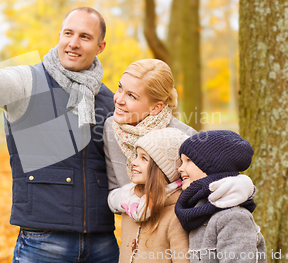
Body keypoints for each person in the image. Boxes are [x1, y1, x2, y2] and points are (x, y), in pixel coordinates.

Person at [0, 7, 119, 262]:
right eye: (68, 33)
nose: (73, 43)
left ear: (100, 46)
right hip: (43, 243)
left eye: (85, 37)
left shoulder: (109, 99)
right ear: (59, 35)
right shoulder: (28, 81)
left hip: (102, 244)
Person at [103, 59, 255, 213]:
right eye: (120, 88)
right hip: (134, 230)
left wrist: (155, 201)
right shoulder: (111, 128)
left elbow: (203, 193)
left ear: (156, 107)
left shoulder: (186, 137)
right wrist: (132, 202)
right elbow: (114, 190)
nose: (118, 99)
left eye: (132, 96)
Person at [174, 130, 267, 263]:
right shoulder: (198, 213)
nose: (180, 169)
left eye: (188, 160)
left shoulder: (232, 217)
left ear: (213, 166)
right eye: (181, 161)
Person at [108, 128, 191, 263]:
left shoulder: (177, 214)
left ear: (162, 169)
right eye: (136, 156)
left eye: (144, 158)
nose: (134, 162)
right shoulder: (130, 204)